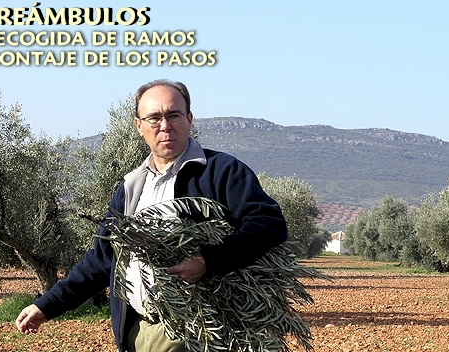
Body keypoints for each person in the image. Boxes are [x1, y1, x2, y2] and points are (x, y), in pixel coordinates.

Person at [15, 79, 288, 352]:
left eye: (174, 115)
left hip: (196, 331)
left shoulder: (220, 171)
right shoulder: (131, 186)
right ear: (139, 126)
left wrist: (209, 261)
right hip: (137, 329)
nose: (165, 126)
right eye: (154, 118)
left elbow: (268, 223)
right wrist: (47, 305)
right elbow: (102, 260)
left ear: (190, 119)